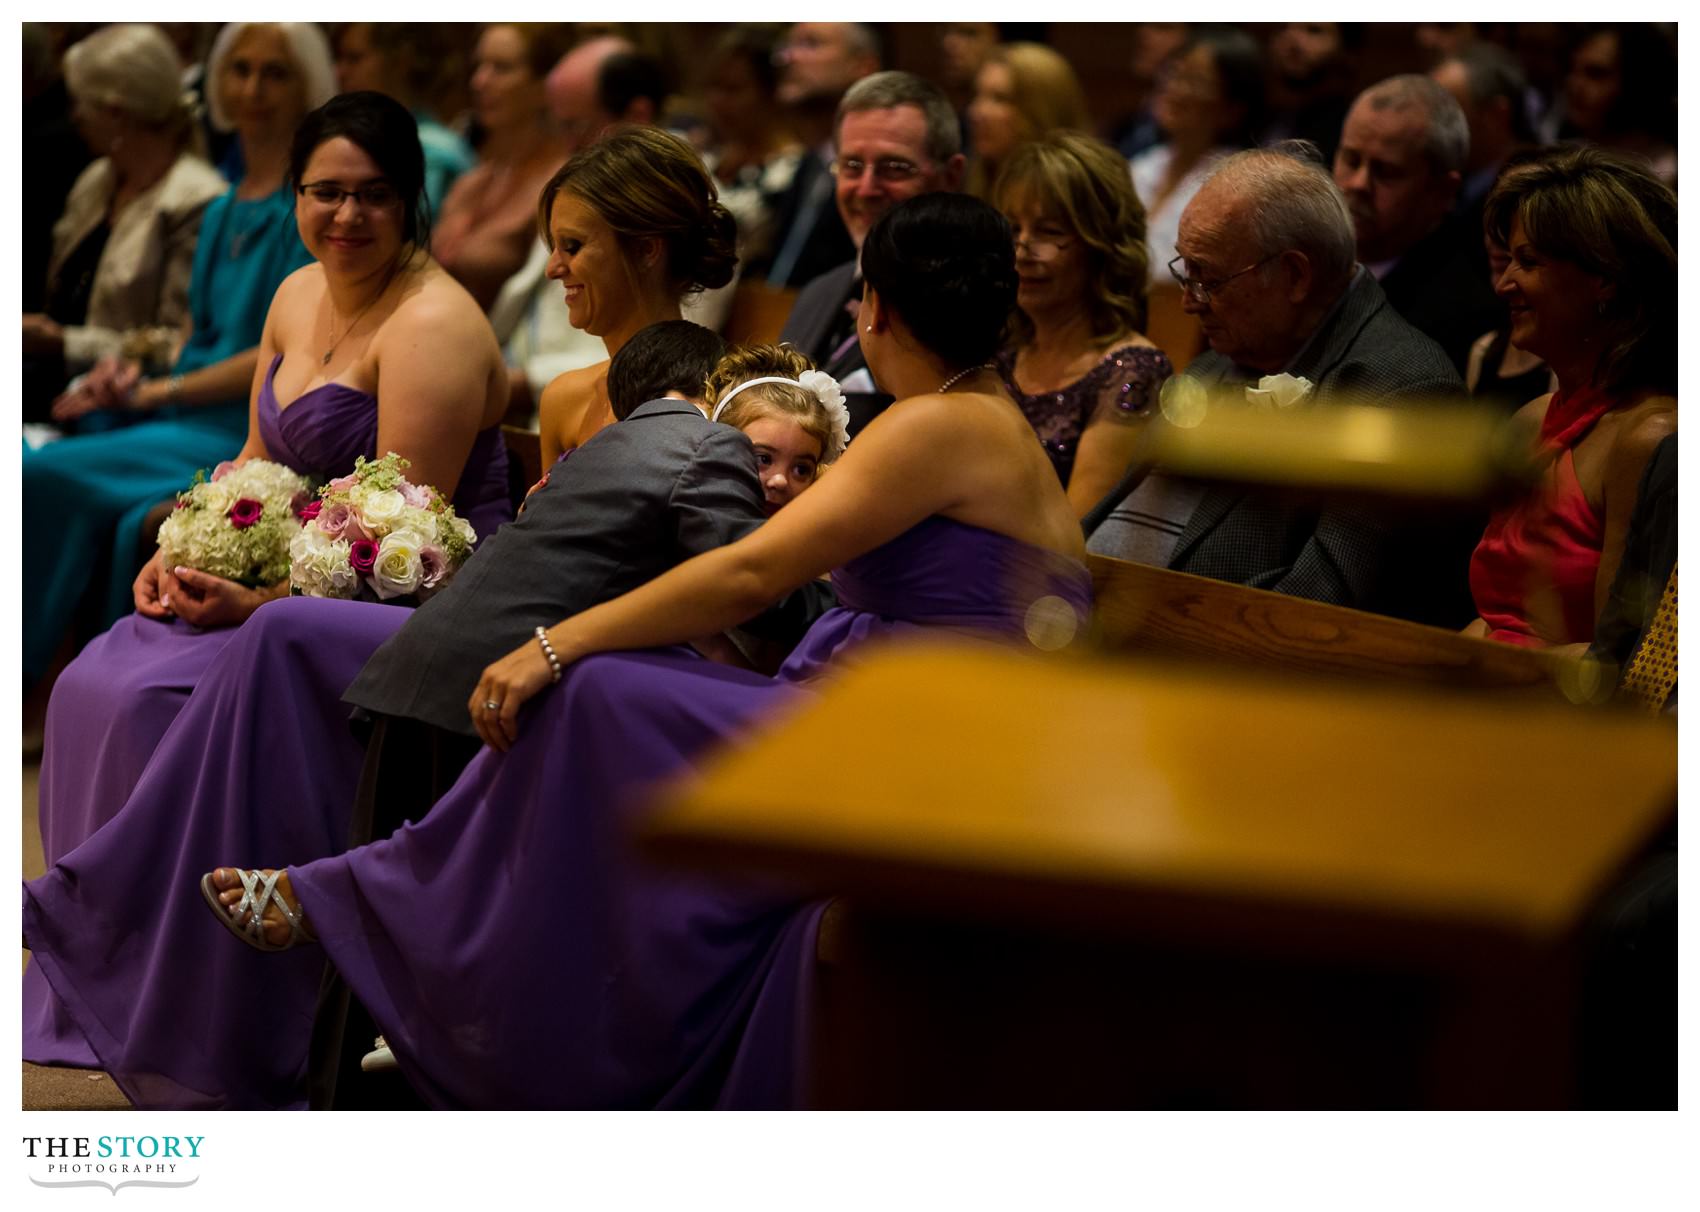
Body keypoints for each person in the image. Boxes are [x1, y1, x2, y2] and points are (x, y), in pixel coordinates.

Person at [190, 193, 1090, 1109]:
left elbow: (751, 574)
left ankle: (385, 909)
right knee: (609, 693)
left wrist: (554, 640)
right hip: (903, 713)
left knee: (593, 690)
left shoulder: (937, 425)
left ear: (879, 309)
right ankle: (411, 925)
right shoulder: (972, 414)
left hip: (922, 744)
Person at [21, 321, 837, 1108]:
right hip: (523, 648)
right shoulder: (668, 445)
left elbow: (739, 602)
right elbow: (672, 572)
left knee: (583, 703)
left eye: (806, 471)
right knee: (260, 641)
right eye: (763, 457)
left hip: (576, 666)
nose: (778, 482)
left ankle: (334, 901)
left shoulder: (710, 469)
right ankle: (131, 901)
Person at [33, 90, 513, 873]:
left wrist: (259, 602)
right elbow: (257, 460)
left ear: (411, 200)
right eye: (326, 192)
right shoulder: (297, 291)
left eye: (374, 195)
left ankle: (192, 957)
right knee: (89, 682)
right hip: (300, 574)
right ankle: (101, 959)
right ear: (295, 193)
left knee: (147, 703)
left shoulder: (434, 325)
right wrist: (184, 546)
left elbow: (401, 533)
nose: (347, 216)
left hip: (398, 592)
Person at [23, 22, 333, 692]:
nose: (253, 89)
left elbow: (273, 354)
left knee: (39, 477)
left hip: (242, 425)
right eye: (240, 69)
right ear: (216, 80)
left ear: (309, 82)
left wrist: (158, 392)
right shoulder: (224, 205)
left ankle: (43, 680)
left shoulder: (307, 207)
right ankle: (67, 676)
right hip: (182, 408)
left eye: (274, 73)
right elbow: (193, 335)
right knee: (43, 446)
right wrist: (132, 368)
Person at [1086, 143, 1467, 623]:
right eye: (1186, 271)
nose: (1188, 303)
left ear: (1294, 275)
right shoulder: (1215, 366)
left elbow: (1309, 615)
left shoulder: (1402, 393)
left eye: (1209, 279)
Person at [1464, 147, 1675, 650]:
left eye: (1529, 262)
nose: (1503, 284)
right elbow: (1495, 618)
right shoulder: (1530, 420)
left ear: (1605, 276)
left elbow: (1616, 665)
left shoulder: (1650, 440)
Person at [22, 25, 226, 421]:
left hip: (121, 400)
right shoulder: (96, 181)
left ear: (116, 112)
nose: (74, 117)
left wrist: (64, 343)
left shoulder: (196, 199)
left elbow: (174, 345)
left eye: (80, 103)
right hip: (52, 380)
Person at [531, 125, 739, 464]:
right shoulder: (563, 399)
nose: (552, 268)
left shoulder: (720, 401)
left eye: (572, 246)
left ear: (646, 250)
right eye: (553, 248)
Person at [991, 131, 1172, 515]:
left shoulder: (1132, 371)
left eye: (1049, 232)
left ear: (1102, 244)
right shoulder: (999, 355)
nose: (1022, 250)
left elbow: (1077, 538)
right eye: (1013, 228)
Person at [779, 72, 965, 436]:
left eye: (894, 168)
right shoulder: (821, 291)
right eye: (851, 166)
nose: (865, 189)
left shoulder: (967, 309)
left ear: (950, 176)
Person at [1332, 74, 1502, 376]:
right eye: (1351, 159)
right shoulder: (1301, 261)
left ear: (1442, 191)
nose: (1358, 184)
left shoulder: (1465, 315)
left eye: (1387, 172)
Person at [430, 24, 571, 311]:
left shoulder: (561, 184)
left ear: (546, 85)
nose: (479, 81)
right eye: (479, 66)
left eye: (501, 68)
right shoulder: (473, 179)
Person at [1128, 28, 1265, 288]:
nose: (1174, 88)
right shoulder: (1144, 165)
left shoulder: (1236, 187)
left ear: (1231, 109)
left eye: (1194, 81)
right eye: (1174, 72)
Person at [760, 22, 881, 287]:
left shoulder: (878, 177)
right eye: (787, 45)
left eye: (811, 44)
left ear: (863, 67)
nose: (787, 57)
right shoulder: (807, 164)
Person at [331, 23, 474, 216]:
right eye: (338, 59)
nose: (340, 72)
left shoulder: (437, 155)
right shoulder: (347, 141)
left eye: (354, 58)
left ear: (400, 60)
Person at [697, 26, 805, 272]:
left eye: (732, 89)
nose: (717, 101)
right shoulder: (706, 156)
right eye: (713, 87)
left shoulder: (795, 170)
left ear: (771, 93)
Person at [963, 42, 1089, 200]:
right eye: (978, 95)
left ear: (1040, 111)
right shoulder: (969, 186)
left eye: (1000, 99)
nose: (975, 112)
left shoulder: (1075, 199)